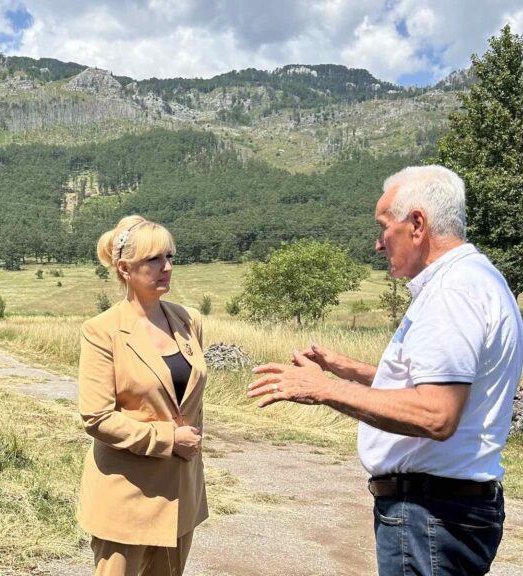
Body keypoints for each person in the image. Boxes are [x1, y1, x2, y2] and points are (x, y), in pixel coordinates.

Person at [248, 165, 522, 576]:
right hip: (442, 510)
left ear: (417, 224)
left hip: (429, 514)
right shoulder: (475, 278)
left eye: (383, 227)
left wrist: (323, 389)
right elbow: (433, 385)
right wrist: (348, 370)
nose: (378, 244)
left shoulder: (452, 293)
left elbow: (436, 414)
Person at [78, 215, 208, 576]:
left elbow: (189, 399)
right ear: (125, 269)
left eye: (169, 257)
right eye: (154, 259)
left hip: (180, 494)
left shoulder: (189, 321)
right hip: (126, 497)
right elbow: (96, 417)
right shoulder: (102, 331)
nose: (167, 267)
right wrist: (169, 439)